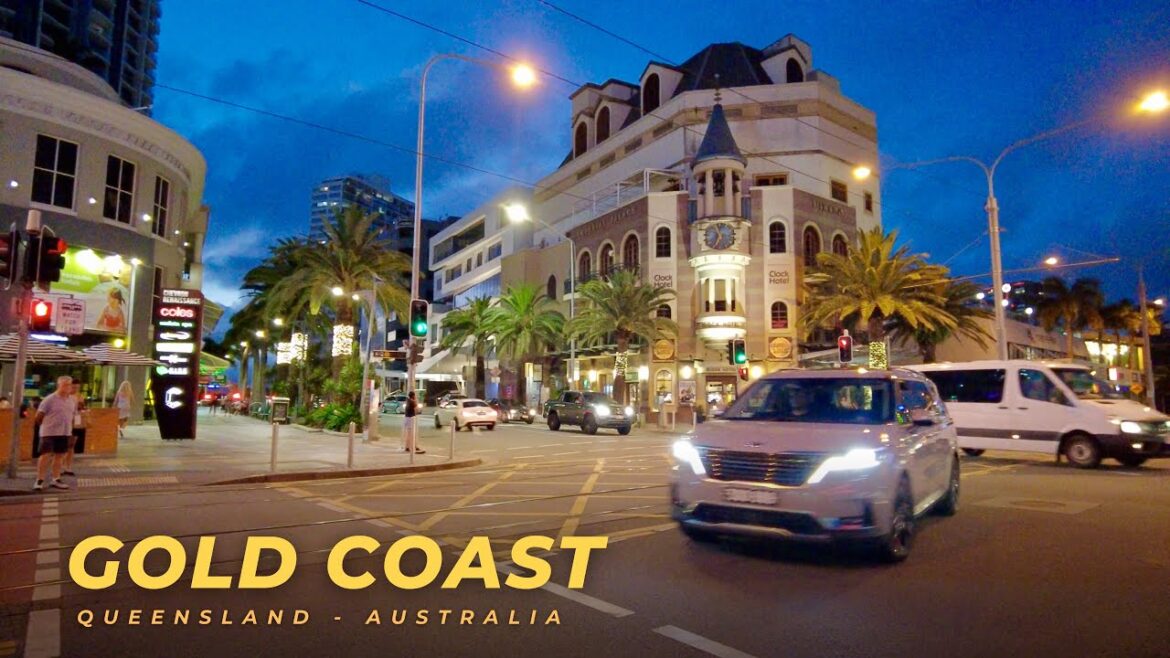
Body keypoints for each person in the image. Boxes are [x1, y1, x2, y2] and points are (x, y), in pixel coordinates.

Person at [33, 376, 76, 491]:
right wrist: (46, 427)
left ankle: (56, 478)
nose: (67, 387)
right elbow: (38, 416)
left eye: (69, 385)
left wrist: (70, 430)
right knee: (45, 455)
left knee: (60, 456)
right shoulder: (49, 399)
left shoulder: (71, 400)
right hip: (49, 432)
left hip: (64, 432)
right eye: (65, 385)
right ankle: (39, 480)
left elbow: (71, 416)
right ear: (59, 385)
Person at [64, 384, 88, 477]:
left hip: (75, 422)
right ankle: (61, 466)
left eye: (77, 388)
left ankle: (68, 467)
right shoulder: (65, 397)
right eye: (74, 387)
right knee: (63, 446)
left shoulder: (79, 397)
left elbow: (81, 409)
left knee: (71, 445)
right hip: (65, 423)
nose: (75, 389)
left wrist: (81, 404)